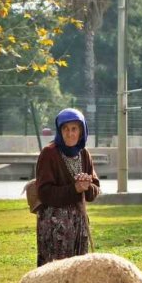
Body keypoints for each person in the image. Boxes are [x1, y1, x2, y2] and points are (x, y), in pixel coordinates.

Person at [34, 108, 100, 266]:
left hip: (79, 223)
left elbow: (94, 190)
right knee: (55, 272)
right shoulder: (49, 154)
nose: (70, 134)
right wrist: (75, 189)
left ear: (81, 131)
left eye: (74, 129)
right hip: (55, 225)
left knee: (78, 270)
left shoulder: (84, 154)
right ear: (59, 131)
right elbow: (44, 193)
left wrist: (87, 186)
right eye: (65, 129)